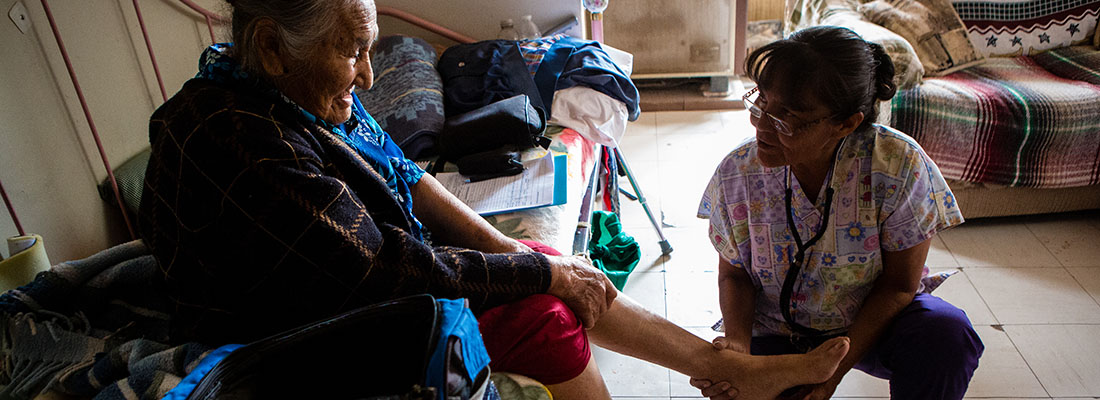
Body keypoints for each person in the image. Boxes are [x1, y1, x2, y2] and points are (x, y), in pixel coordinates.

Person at [138, 0, 852, 398]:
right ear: (271, 47)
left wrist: (520, 253)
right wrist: (539, 275)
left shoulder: (292, 93)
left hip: (355, 276)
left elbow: (404, 173)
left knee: (550, 265)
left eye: (371, 50)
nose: (367, 76)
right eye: (352, 52)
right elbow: (385, 270)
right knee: (544, 310)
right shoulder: (240, 141)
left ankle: (725, 369)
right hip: (285, 331)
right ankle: (726, 370)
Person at [690, 26, 985, 400]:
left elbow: (899, 285)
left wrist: (831, 372)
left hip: (869, 325)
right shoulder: (739, 172)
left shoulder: (897, 166)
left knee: (946, 336)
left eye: (787, 116)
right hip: (776, 330)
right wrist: (739, 348)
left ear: (846, 123)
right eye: (761, 101)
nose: (761, 124)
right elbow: (734, 275)